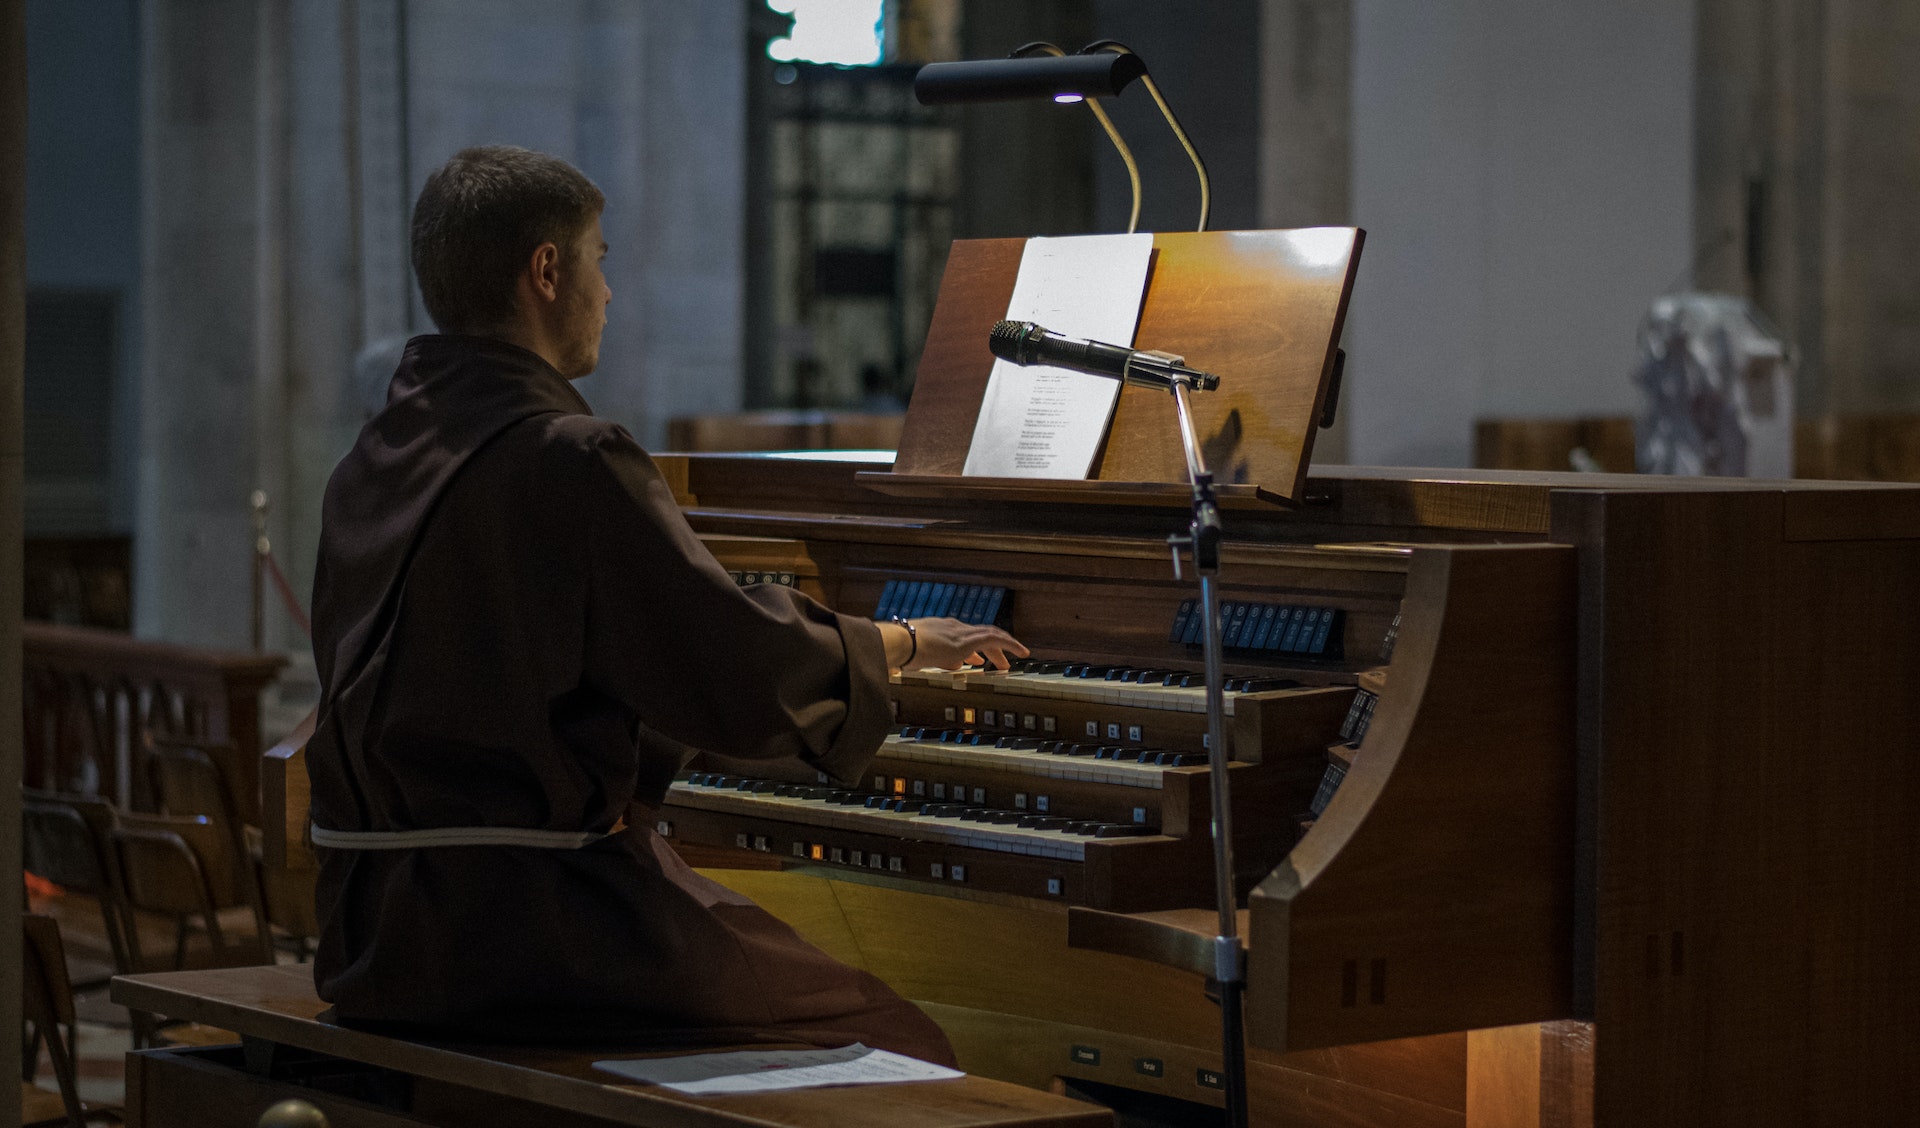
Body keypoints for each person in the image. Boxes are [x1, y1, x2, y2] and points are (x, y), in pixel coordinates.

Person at [305, 145, 1024, 1060]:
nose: (609, 293)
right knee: (898, 1041)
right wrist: (899, 642)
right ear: (548, 271)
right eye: (601, 260)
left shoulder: (368, 462)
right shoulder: (568, 456)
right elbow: (729, 664)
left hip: (373, 934)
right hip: (532, 930)